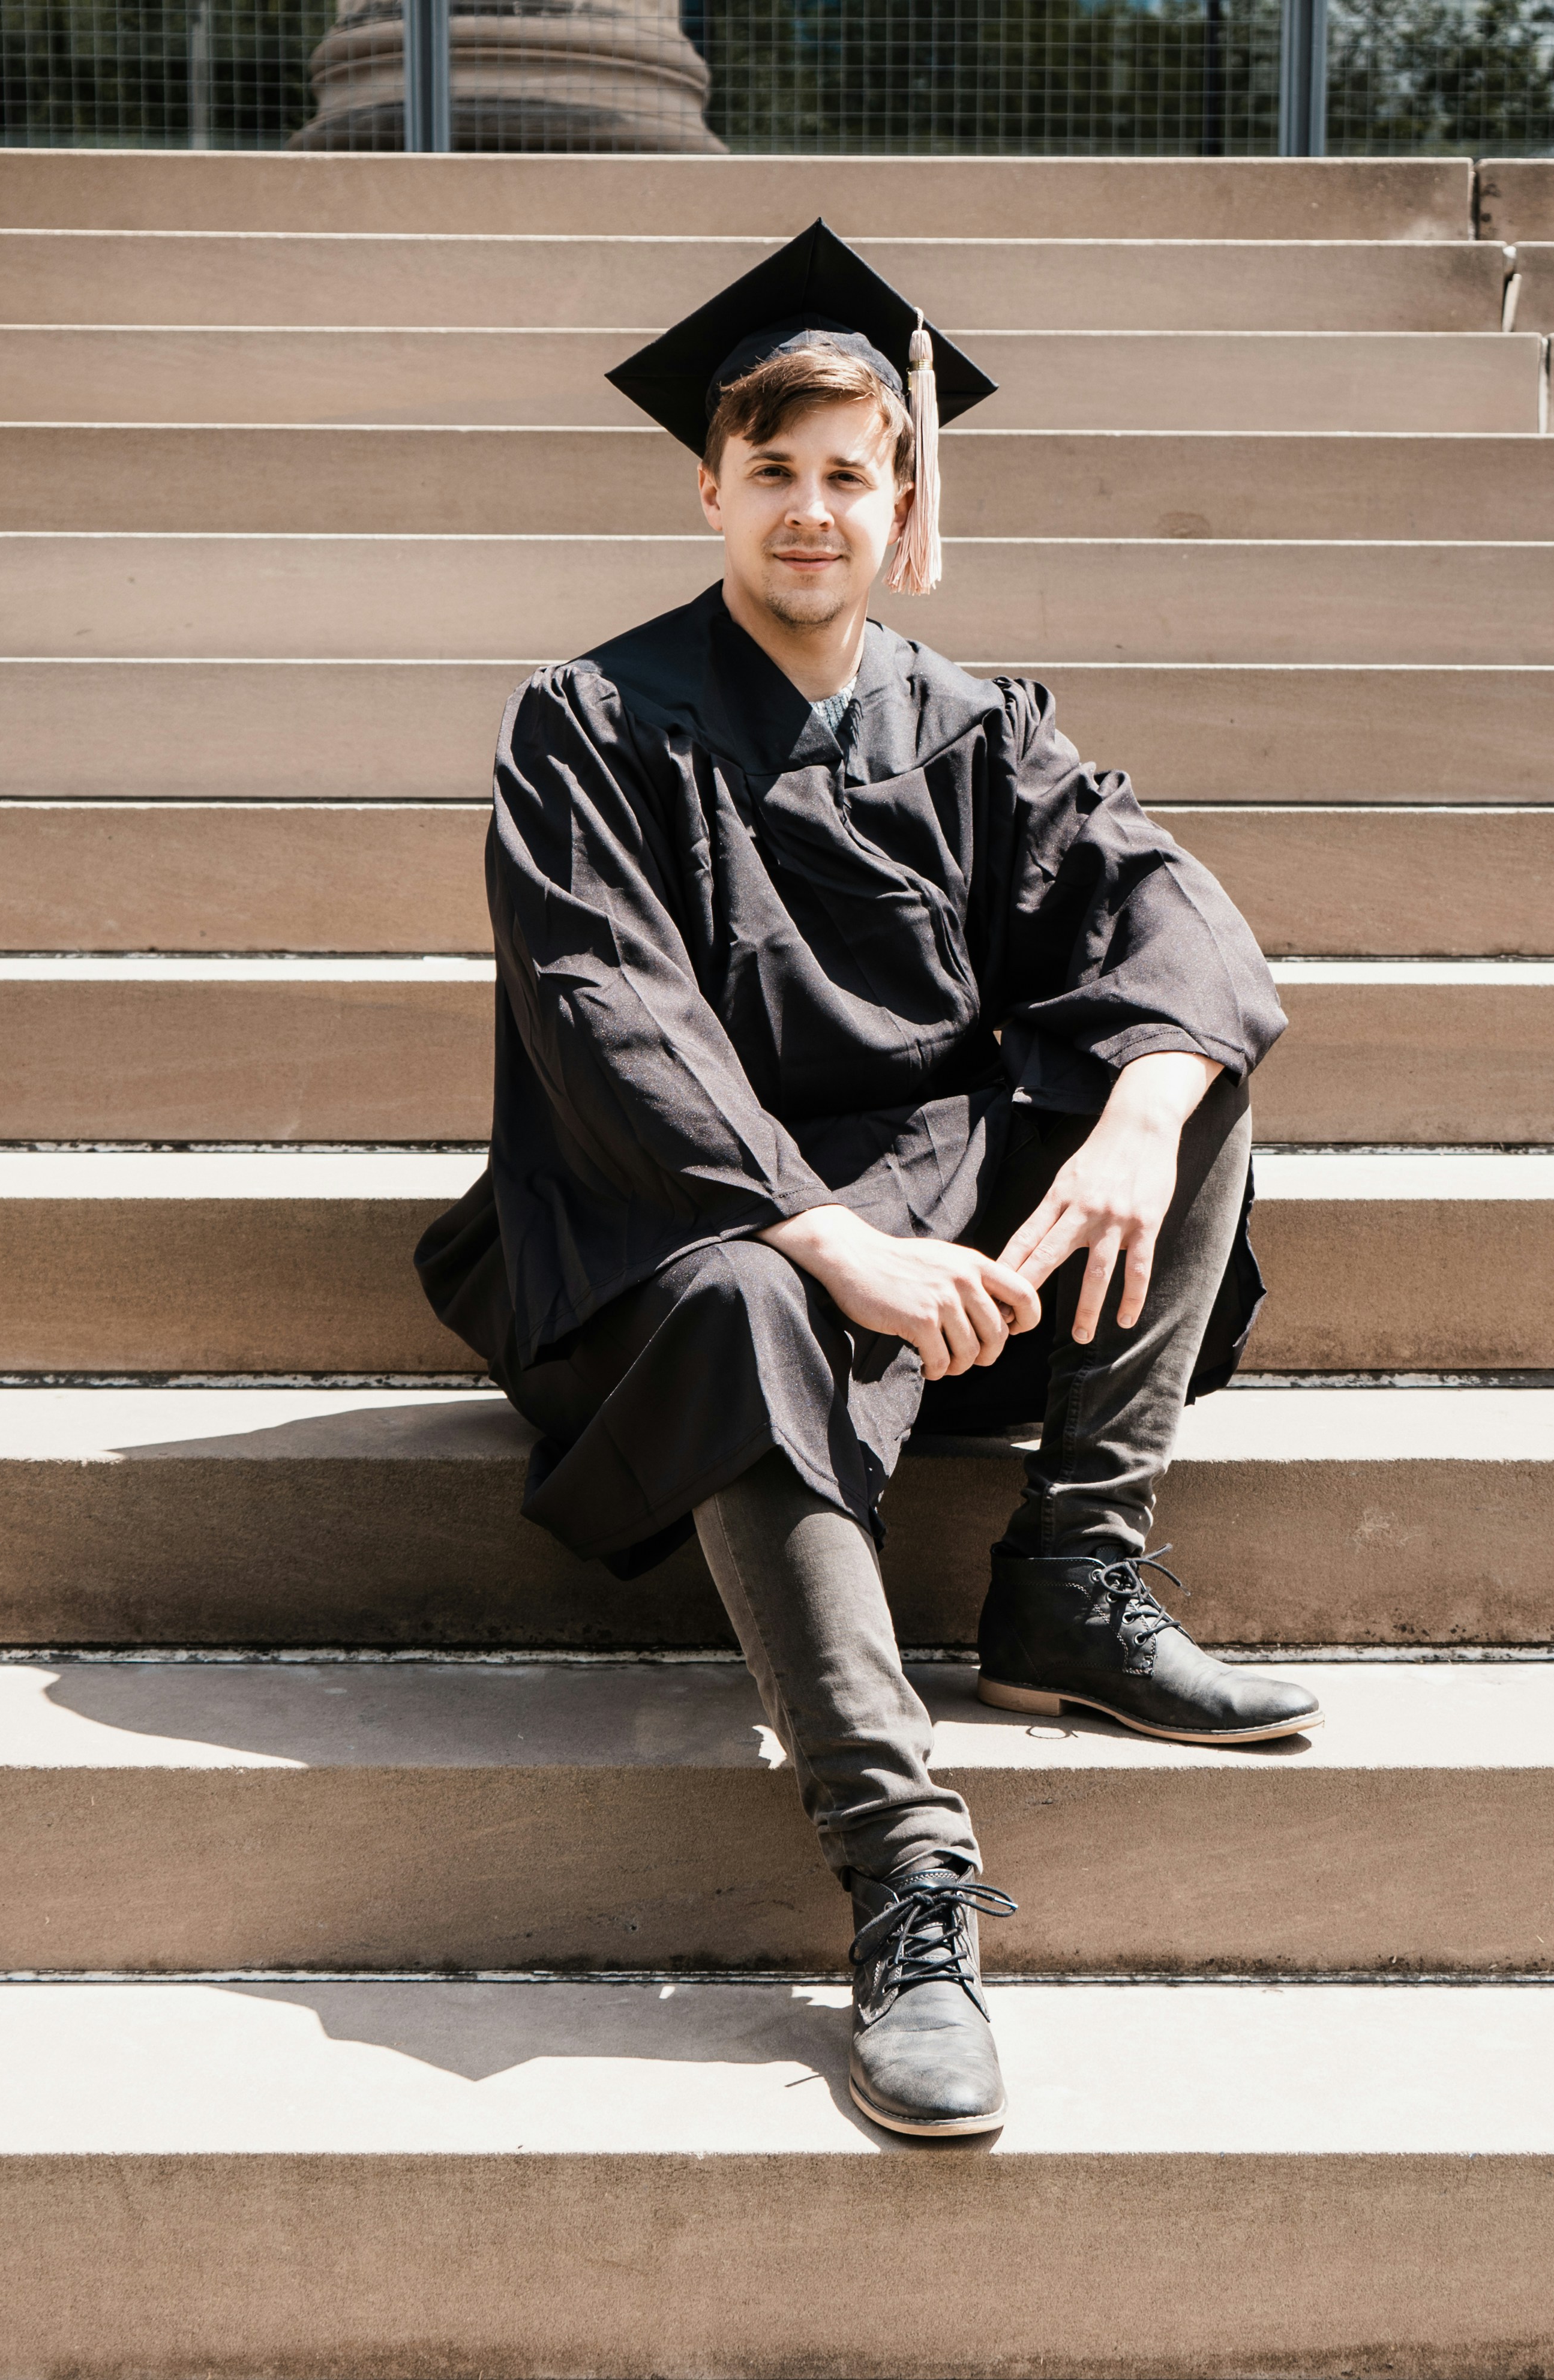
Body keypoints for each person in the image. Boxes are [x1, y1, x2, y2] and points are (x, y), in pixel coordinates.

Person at [416, 222, 1321, 2139]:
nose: (812, 512)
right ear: (710, 487)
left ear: (906, 500)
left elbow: (1168, 915)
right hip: (676, 1248)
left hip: (941, 1253)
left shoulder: (980, 727)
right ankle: (905, 1875)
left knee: (1185, 1065)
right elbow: (607, 1012)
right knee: (752, 1298)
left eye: (851, 474)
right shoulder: (589, 722)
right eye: (775, 473)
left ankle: (1073, 1580)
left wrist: (1145, 1111)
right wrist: (834, 1244)